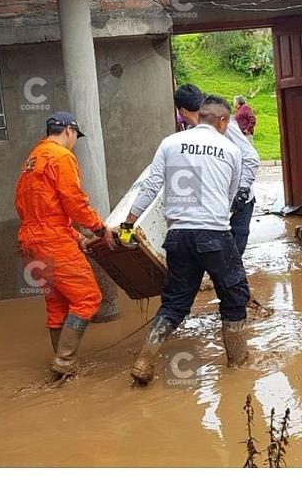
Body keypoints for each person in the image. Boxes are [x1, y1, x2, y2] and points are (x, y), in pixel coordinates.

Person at [122, 95, 252, 386]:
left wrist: (129, 223)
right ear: (222, 121)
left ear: (198, 116)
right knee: (234, 297)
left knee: (175, 302)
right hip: (216, 235)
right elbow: (230, 198)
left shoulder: (170, 143)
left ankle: (145, 360)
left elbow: (152, 185)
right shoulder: (231, 150)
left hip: (178, 236)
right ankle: (238, 364)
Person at [15, 112, 115, 378]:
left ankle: (63, 369)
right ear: (69, 131)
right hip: (53, 243)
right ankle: (65, 361)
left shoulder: (31, 160)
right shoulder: (61, 157)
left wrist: (75, 236)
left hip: (31, 243)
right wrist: (99, 229)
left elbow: (40, 212)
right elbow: (74, 201)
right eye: (76, 137)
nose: (75, 142)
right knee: (87, 297)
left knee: (57, 304)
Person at [176, 85, 260, 255]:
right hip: (212, 205)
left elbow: (250, 157)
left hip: (239, 202)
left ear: (181, 110)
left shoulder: (222, 124)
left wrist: (241, 190)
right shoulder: (190, 132)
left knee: (232, 259)